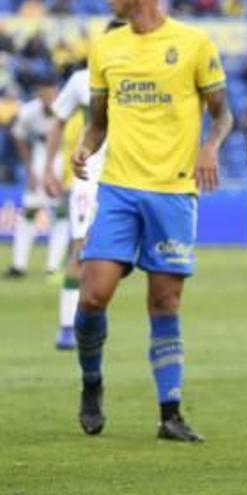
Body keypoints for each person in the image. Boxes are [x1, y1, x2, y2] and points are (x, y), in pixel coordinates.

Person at [71, 0, 232, 441]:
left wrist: (210, 147)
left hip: (174, 193)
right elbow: (97, 122)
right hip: (119, 189)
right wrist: (86, 146)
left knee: (164, 304)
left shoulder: (194, 43)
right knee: (92, 296)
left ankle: (170, 414)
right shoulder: (105, 47)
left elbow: (223, 113)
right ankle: (91, 383)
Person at [43, 19, 128, 351]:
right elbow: (58, 121)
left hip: (131, 172)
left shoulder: (144, 77)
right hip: (90, 174)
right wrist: (51, 168)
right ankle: (66, 325)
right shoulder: (81, 80)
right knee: (81, 246)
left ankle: (93, 317)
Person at [5, 74, 69, 280]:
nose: (46, 95)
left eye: (50, 91)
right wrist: (29, 169)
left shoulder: (67, 107)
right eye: (42, 91)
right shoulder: (29, 111)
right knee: (30, 210)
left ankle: (53, 266)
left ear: (56, 92)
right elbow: (18, 134)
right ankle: (18, 265)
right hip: (41, 156)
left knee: (60, 213)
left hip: (64, 156)